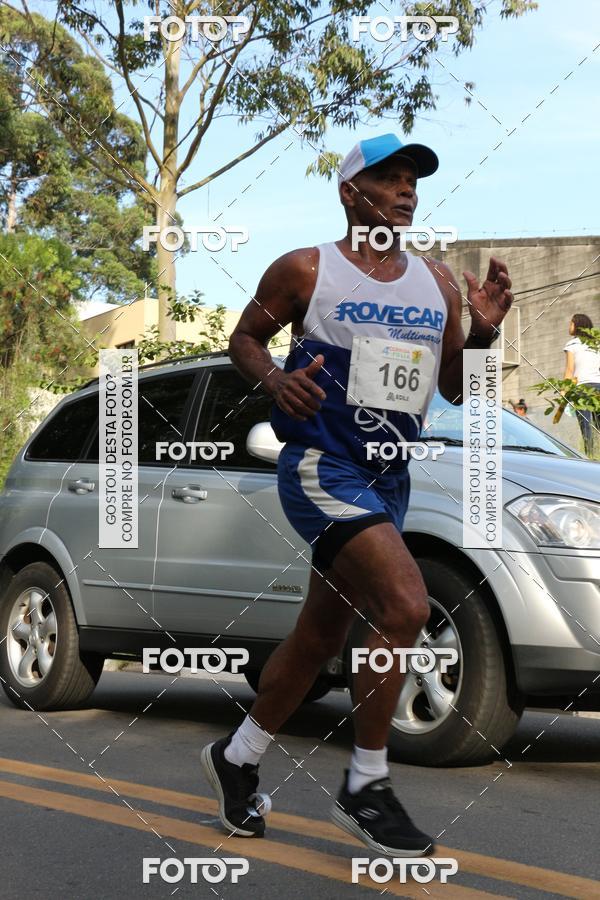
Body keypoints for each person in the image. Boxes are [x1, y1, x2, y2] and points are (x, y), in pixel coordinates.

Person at [201, 133, 513, 855]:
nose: (406, 190)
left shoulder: (435, 284)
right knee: (404, 605)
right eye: (390, 177)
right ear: (351, 192)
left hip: (389, 478)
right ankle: (366, 787)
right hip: (323, 466)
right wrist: (275, 380)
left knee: (319, 636)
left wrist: (486, 333)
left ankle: (238, 756)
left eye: (412, 180)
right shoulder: (307, 270)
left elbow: (455, 388)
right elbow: (243, 339)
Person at [563, 313, 600, 455]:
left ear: (577, 325)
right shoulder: (596, 343)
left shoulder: (572, 344)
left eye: (570, 323)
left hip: (582, 389)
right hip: (598, 387)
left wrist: (563, 391)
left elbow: (570, 370)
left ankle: (590, 456)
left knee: (586, 427)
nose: (569, 326)